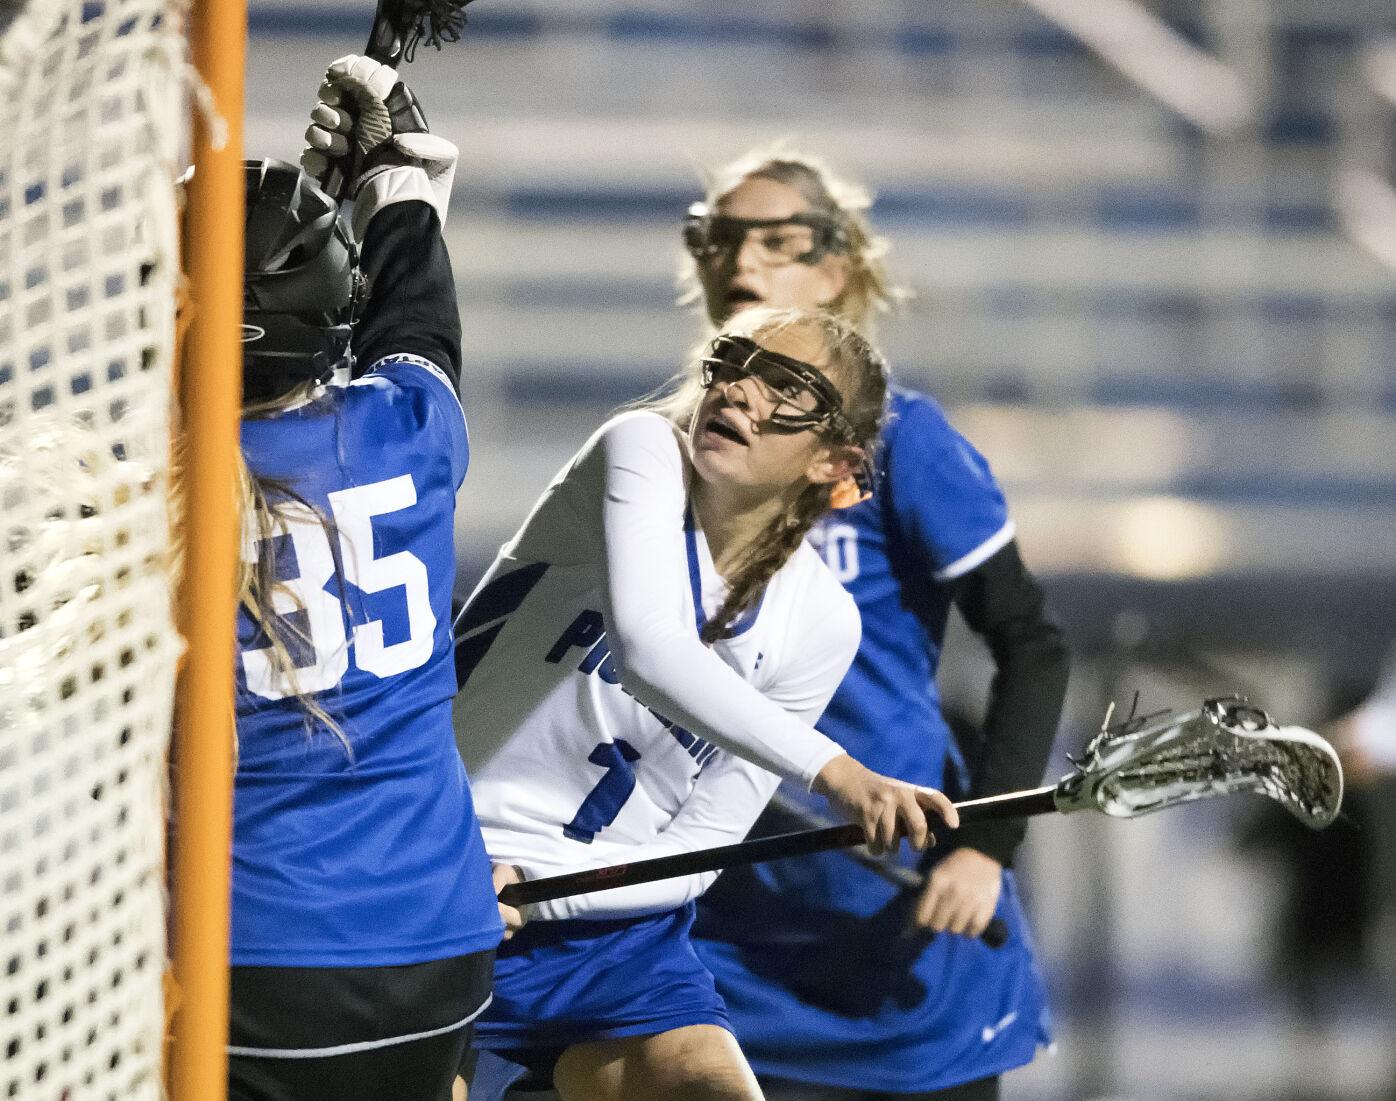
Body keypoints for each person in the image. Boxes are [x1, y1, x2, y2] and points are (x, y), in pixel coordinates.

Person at [453, 305, 960, 1101]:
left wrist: (539, 883)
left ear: (834, 461)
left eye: (787, 383)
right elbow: (652, 652)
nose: (741, 392)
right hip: (438, 860)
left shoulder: (823, 621)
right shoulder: (642, 447)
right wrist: (835, 770)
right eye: (733, 362)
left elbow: (703, 845)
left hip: (604, 924)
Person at [685, 150, 1071, 1101]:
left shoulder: (902, 439)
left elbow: (1032, 641)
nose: (744, 263)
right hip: (721, 941)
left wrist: (986, 847)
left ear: (838, 271)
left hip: (901, 939)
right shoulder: (661, 450)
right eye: (723, 239)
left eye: (779, 242)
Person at [224, 56, 501, 1100]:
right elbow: (418, 327)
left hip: (245, 949)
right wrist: (394, 195)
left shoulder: (137, 499)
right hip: (438, 940)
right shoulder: (406, 434)